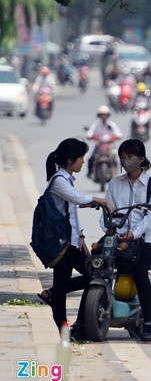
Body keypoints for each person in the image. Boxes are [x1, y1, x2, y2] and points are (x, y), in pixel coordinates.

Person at [40, 138, 113, 340]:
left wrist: (80, 235)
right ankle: (65, 331)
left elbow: (71, 211)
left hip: (72, 242)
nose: (83, 161)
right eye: (81, 158)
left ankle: (64, 308)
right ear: (71, 159)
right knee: (64, 291)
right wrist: (102, 200)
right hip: (62, 246)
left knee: (93, 276)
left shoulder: (66, 180)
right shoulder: (58, 181)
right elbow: (78, 199)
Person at [102, 139, 151, 341]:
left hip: (143, 241)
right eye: (122, 157)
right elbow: (106, 212)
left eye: (130, 157)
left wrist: (133, 234)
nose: (125, 161)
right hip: (115, 237)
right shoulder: (114, 183)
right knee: (97, 265)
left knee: (139, 272)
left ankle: (148, 322)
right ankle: (83, 321)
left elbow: (150, 216)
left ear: (141, 159)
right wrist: (110, 229)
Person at [85, 105, 123, 178]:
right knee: (91, 158)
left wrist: (112, 138)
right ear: (99, 115)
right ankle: (90, 173)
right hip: (99, 145)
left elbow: (119, 135)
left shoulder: (112, 125)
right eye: (102, 114)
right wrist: (92, 137)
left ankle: (116, 174)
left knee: (116, 159)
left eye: (105, 114)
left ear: (107, 115)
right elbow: (89, 134)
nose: (103, 116)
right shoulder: (96, 125)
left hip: (110, 146)